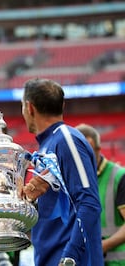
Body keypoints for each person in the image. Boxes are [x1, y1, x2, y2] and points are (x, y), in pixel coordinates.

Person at [20, 78, 104, 265]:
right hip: (50, 257)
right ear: (62, 105)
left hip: (68, 259)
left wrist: (70, 256)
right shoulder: (48, 146)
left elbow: (89, 203)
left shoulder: (66, 139)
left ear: (29, 108)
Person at [76, 123, 125, 265]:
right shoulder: (74, 178)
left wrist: (102, 246)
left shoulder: (119, 176)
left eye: (89, 151)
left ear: (98, 149)